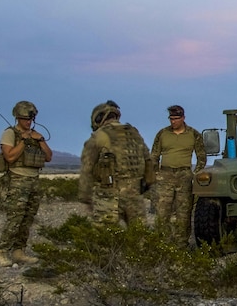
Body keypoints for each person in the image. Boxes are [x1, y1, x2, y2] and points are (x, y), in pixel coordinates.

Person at [0, 100, 53, 267]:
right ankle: (3, 251)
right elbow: (10, 157)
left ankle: (19, 251)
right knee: (15, 218)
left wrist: (40, 140)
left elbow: (49, 157)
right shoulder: (10, 134)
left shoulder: (36, 134)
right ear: (17, 118)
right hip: (16, 180)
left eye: (30, 119)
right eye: (24, 119)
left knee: (27, 218)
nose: (28, 122)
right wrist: (23, 141)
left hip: (33, 181)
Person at [79, 100, 152, 225]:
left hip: (108, 196)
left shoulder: (99, 136)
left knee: (106, 238)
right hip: (134, 194)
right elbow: (148, 162)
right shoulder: (134, 133)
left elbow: (87, 168)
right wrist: (145, 186)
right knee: (140, 238)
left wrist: (85, 197)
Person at [150, 105, 206, 246]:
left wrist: (195, 174)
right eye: (171, 118)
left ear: (183, 118)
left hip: (185, 176)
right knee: (162, 213)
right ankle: (163, 245)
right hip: (165, 175)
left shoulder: (193, 134)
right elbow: (154, 155)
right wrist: (155, 173)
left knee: (184, 214)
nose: (173, 121)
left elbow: (202, 157)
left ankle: (181, 246)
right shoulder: (162, 134)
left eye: (176, 118)